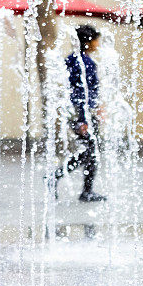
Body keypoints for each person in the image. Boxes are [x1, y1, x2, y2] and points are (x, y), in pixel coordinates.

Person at [48, 25, 106, 202]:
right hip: (82, 114)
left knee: (89, 151)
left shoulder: (72, 59)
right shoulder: (85, 63)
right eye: (96, 39)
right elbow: (82, 93)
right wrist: (83, 118)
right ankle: (60, 179)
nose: (98, 43)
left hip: (76, 112)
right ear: (88, 42)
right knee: (91, 151)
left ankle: (73, 185)